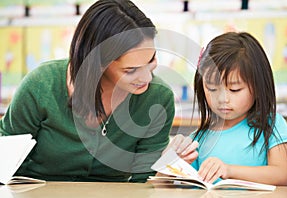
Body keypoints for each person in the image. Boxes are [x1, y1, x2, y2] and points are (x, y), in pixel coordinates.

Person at [0, 0, 196, 183]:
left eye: (151, 60)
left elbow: (143, 183)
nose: (147, 78)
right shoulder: (42, 85)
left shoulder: (158, 98)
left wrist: (165, 169)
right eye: (131, 70)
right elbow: (5, 158)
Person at [192, 32, 287, 185]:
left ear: (257, 86)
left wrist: (229, 171)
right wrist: (170, 161)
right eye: (212, 89)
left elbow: (281, 175)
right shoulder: (200, 137)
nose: (223, 99)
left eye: (234, 90)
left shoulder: (271, 125)